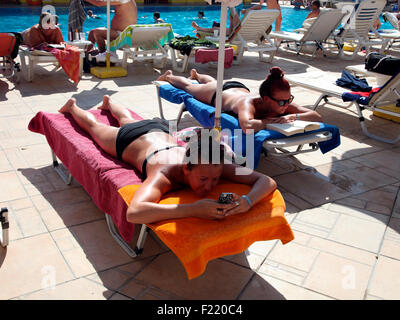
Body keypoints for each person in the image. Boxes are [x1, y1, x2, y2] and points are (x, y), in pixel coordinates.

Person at [58, 95, 277, 224]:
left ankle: (109, 103)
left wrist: (248, 202)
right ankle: (73, 106)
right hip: (130, 140)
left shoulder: (212, 164)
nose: (210, 185)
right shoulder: (163, 175)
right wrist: (193, 209)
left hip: (160, 130)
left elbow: (266, 181)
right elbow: (134, 213)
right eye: (203, 180)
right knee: (96, 128)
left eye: (214, 179)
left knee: (127, 119)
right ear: (185, 169)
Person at [157, 67, 322, 134]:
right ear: (265, 99)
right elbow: (247, 126)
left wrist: (294, 117)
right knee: (188, 87)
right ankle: (169, 75)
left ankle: (197, 75)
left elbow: (316, 116)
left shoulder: (282, 103)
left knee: (213, 81)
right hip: (218, 94)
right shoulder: (248, 105)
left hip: (239, 88)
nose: (286, 105)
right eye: (281, 102)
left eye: (289, 100)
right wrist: (267, 121)